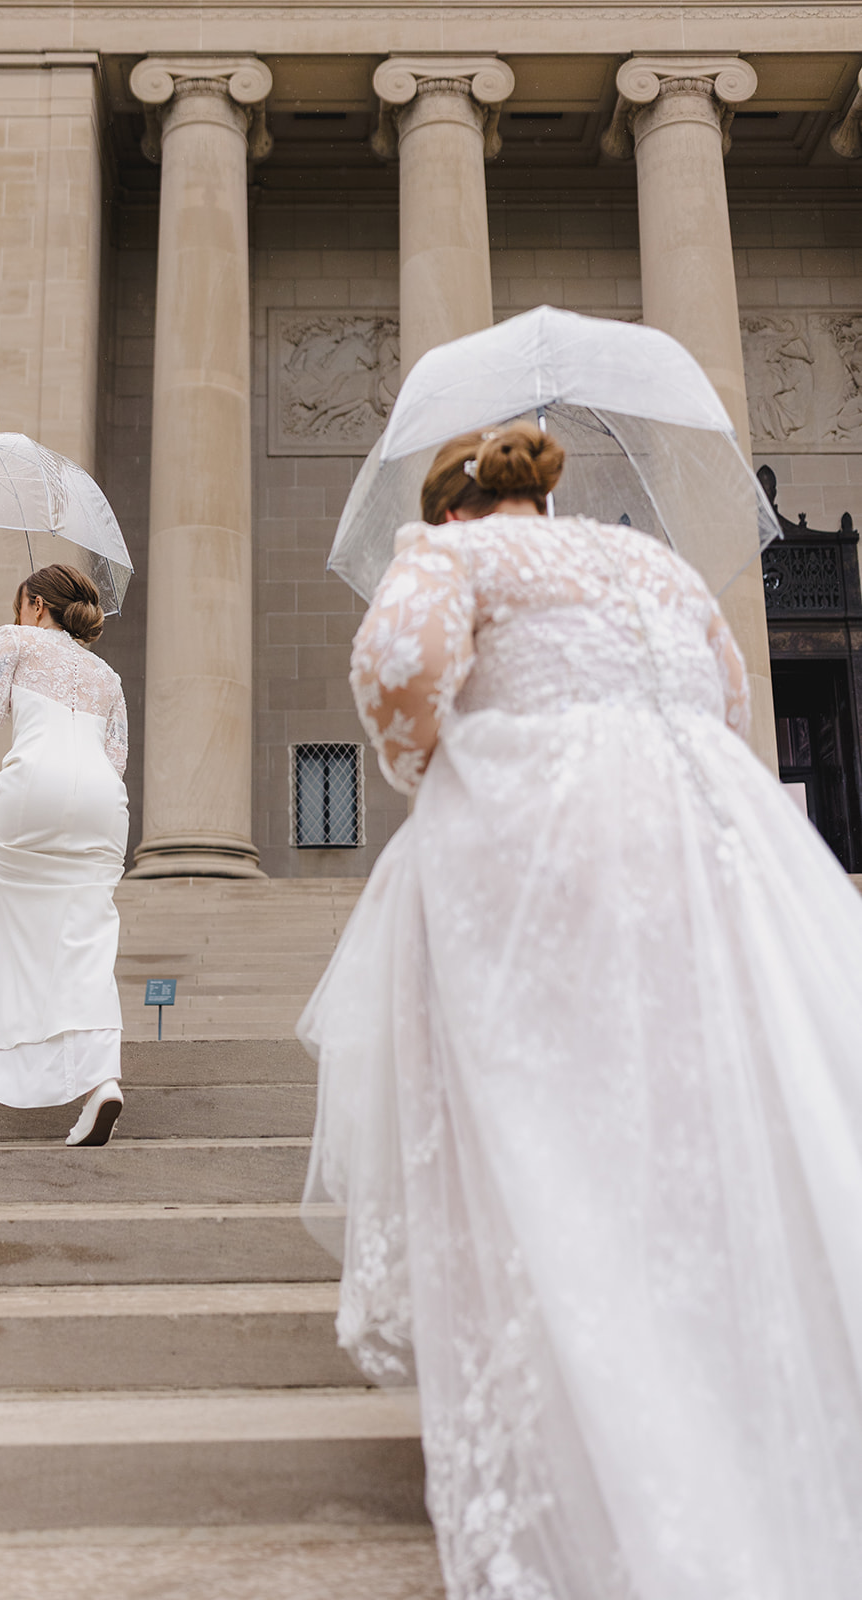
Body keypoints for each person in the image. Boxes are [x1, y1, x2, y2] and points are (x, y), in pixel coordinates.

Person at [299, 422, 862, 1600]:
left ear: (451, 503)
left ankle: (601, 1413)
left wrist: (429, 765)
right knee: (684, 1118)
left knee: (550, 1126)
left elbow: (397, 677)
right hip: (706, 847)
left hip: (537, 841)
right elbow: (724, 693)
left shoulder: (448, 557)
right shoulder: (651, 561)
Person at [0, 563, 130, 1147]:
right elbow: (117, 759)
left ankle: (11, 1049)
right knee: (87, 937)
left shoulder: (12, 640)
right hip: (100, 802)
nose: (16, 616)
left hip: (32, 793)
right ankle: (101, 1078)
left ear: (36, 604)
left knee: (19, 924)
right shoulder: (107, 675)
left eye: (20, 606)